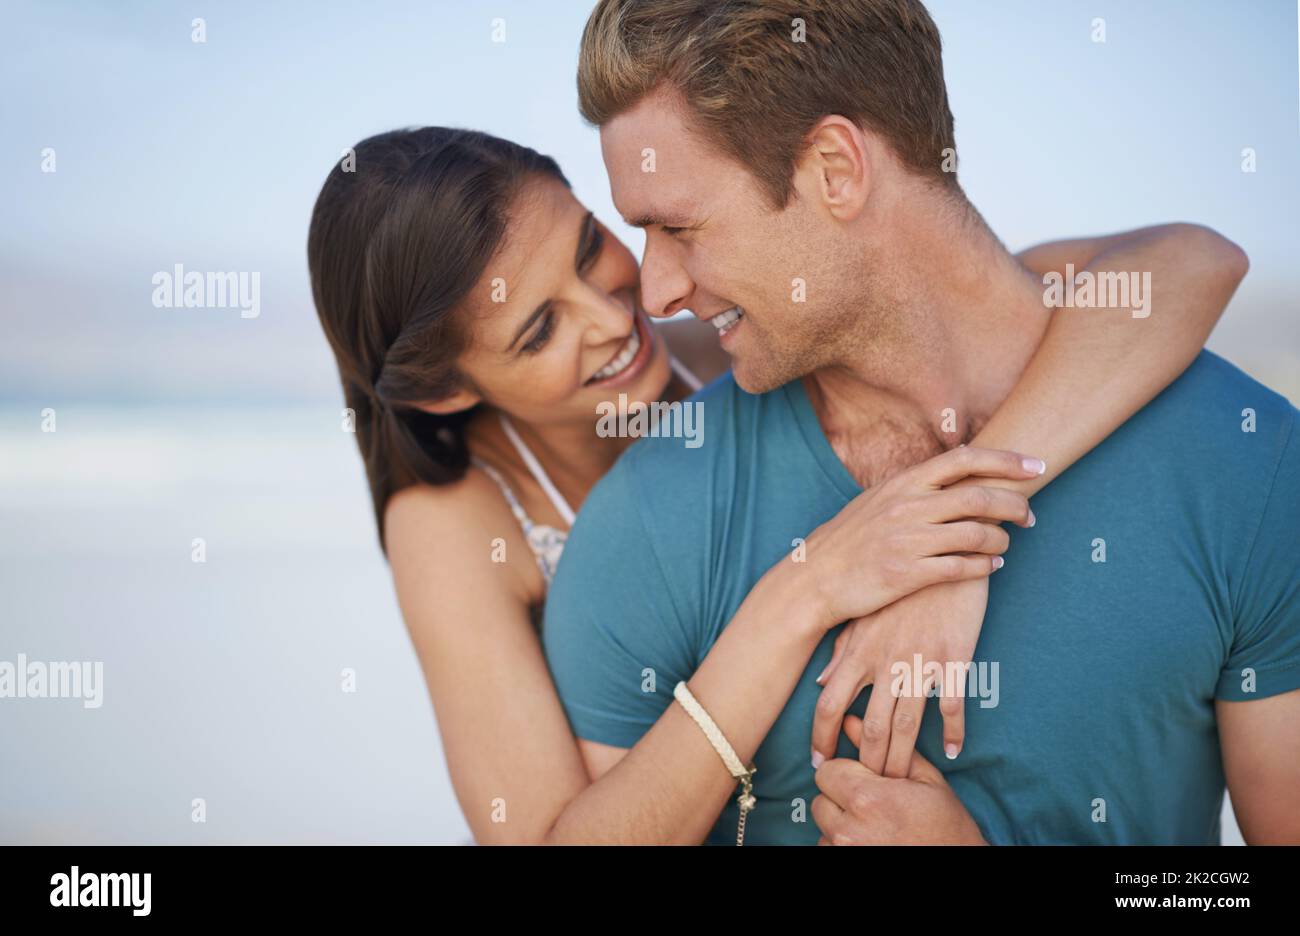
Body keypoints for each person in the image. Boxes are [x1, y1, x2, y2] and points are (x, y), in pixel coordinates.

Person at [308, 126, 1243, 844]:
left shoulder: (735, 329)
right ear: (444, 389)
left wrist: (974, 522)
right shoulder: (451, 525)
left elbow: (1192, 262)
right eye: (537, 331)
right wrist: (804, 589)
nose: (613, 315)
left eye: (589, 247)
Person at [542, 0, 1300, 845]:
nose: (655, 294)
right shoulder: (649, 513)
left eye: (678, 228)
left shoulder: (1246, 461)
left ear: (836, 167)